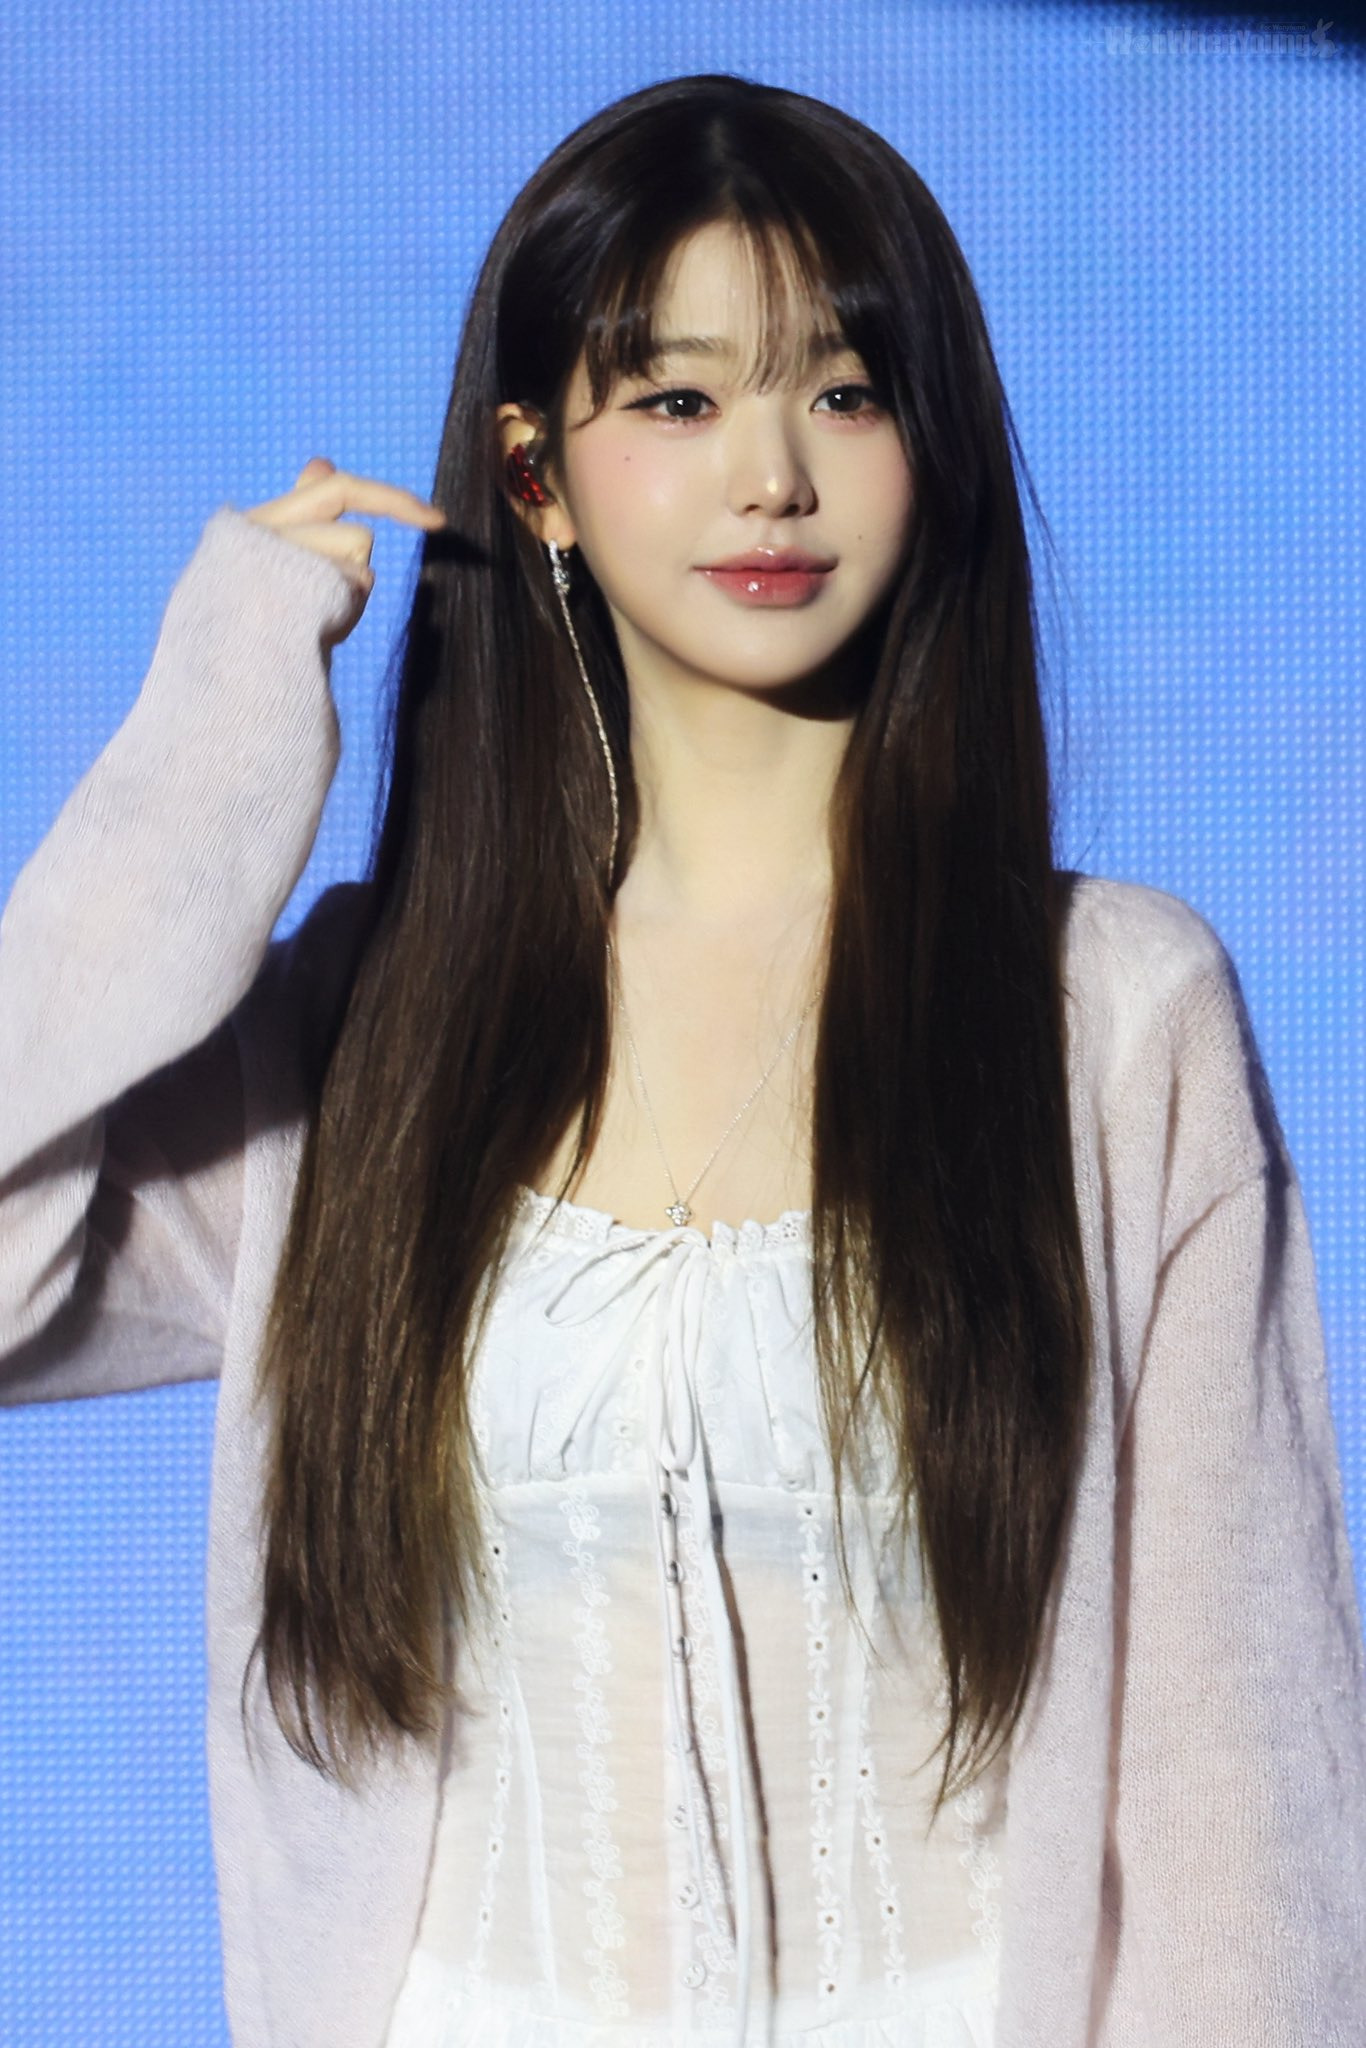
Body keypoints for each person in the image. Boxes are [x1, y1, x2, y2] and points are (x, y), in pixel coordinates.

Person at [1, 69, 1362, 2048]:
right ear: (532, 474)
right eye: (675, 400)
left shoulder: (1110, 1015)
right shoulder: (368, 1029)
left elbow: (1240, 1763)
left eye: (843, 391)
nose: (770, 478)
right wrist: (219, 725)